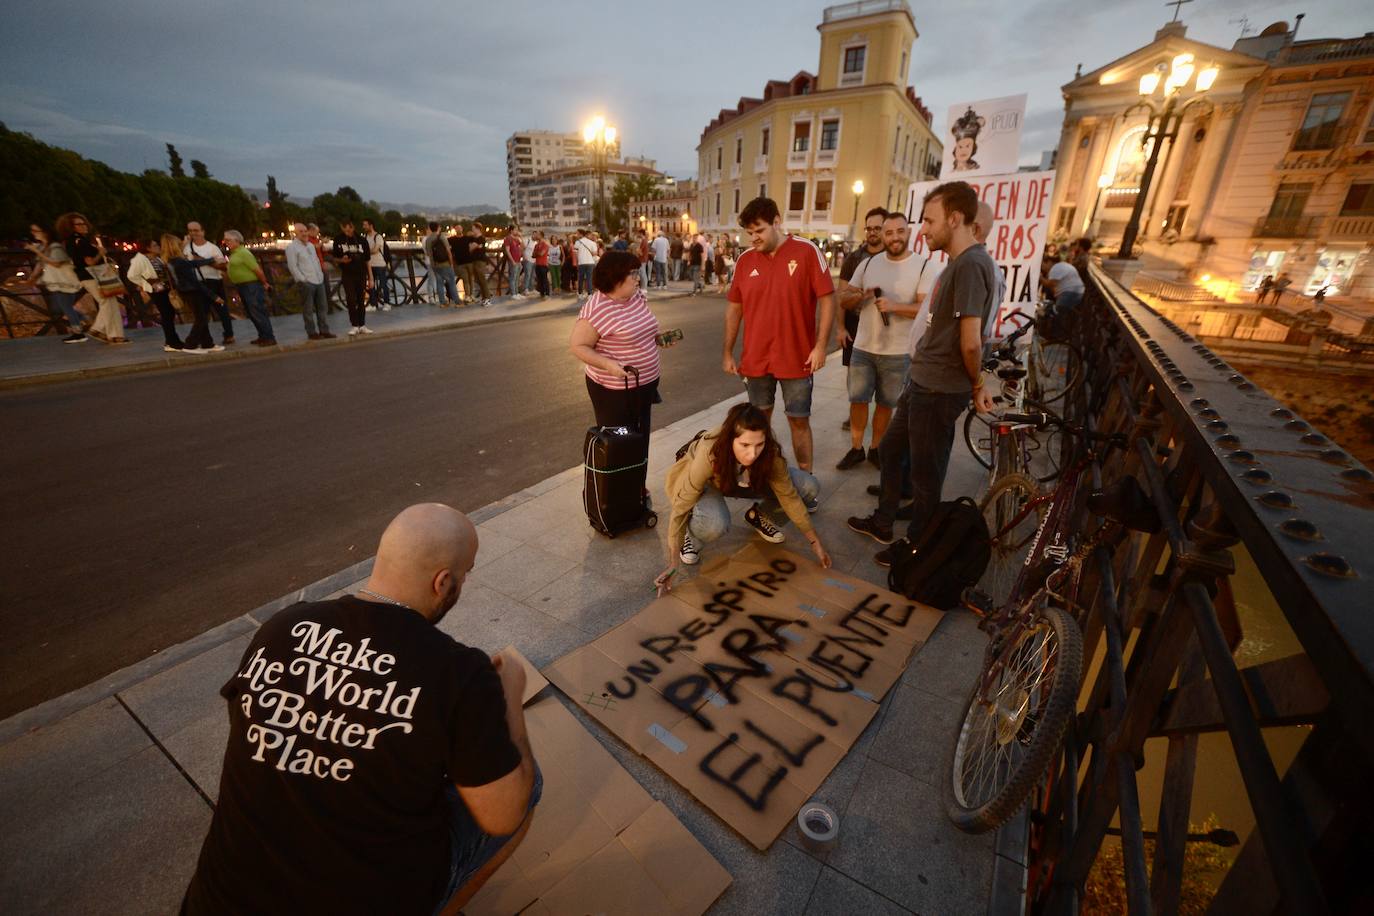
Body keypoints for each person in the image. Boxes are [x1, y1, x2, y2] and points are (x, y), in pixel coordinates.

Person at [181, 503, 540, 916]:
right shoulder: (458, 670)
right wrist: (508, 694)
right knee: (527, 786)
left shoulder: (282, 628)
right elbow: (501, 816)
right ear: (443, 583)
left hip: (217, 901)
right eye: (465, 573)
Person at [848, 181, 996, 558]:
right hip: (923, 381)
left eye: (929, 221)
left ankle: (917, 545)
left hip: (939, 389)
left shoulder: (971, 265)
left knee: (926, 476)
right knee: (893, 448)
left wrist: (977, 383)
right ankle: (884, 521)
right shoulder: (959, 264)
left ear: (955, 218)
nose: (924, 229)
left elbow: (971, 341)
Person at [655, 402, 830, 593]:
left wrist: (815, 542)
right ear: (731, 439)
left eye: (759, 444)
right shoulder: (709, 451)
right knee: (715, 524)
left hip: (746, 480)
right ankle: (693, 539)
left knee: (809, 486)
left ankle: (760, 516)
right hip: (712, 482)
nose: (752, 454)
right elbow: (681, 506)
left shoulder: (770, 453)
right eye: (744, 445)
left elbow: (789, 496)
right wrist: (673, 563)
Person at [723, 196, 836, 478]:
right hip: (756, 359)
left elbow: (828, 299)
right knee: (758, 423)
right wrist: (727, 351)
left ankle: (806, 481)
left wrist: (821, 346)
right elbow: (734, 309)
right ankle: (759, 476)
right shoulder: (745, 261)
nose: (754, 239)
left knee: (799, 421)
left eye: (759, 230)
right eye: (749, 233)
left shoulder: (807, 251)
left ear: (777, 222)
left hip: (797, 358)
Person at [836, 212, 928, 471]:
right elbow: (844, 298)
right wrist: (860, 297)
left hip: (899, 352)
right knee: (857, 400)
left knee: (886, 404)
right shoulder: (868, 264)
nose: (894, 237)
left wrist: (895, 305)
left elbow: (925, 309)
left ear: (908, 233)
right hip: (863, 348)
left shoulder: (923, 266)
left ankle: (876, 448)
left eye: (900, 231)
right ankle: (856, 449)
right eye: (889, 232)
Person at [570, 249, 670, 440]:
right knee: (619, 447)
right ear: (615, 278)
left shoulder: (636, 296)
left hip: (644, 387)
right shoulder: (597, 308)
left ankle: (639, 471)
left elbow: (642, 328)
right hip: (615, 393)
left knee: (639, 442)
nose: (638, 278)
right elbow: (578, 346)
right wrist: (608, 364)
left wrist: (658, 339)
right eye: (633, 274)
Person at [834, 208, 888, 433]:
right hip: (856, 325)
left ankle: (879, 418)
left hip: (887, 327)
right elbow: (841, 295)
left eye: (878, 228)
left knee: (885, 377)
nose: (872, 232)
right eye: (869, 228)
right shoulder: (853, 258)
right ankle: (854, 413)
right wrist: (840, 327)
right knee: (855, 375)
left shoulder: (896, 256)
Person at [57, 212, 127, 344]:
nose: (84, 226)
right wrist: (100, 253)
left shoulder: (73, 242)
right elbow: (90, 262)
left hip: (88, 276)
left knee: (109, 302)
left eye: (83, 223)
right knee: (107, 302)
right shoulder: (79, 241)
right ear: (71, 227)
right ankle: (100, 330)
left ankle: (114, 335)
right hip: (92, 276)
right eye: (79, 224)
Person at [27, 221, 87, 343]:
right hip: (57, 282)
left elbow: (56, 263)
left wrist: (36, 252)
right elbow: (40, 263)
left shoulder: (55, 247)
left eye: (35, 231)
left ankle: (78, 333)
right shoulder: (44, 247)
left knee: (65, 307)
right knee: (62, 307)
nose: (33, 234)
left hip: (64, 281)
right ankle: (81, 320)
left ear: (45, 232)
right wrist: (32, 277)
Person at [166, 233, 225, 354]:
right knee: (201, 319)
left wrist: (210, 259)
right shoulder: (179, 261)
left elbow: (192, 264)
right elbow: (195, 281)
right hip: (192, 292)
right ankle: (190, 345)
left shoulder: (172, 261)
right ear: (174, 246)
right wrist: (214, 297)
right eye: (179, 244)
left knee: (201, 318)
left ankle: (207, 343)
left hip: (184, 291)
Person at [126, 238, 184, 351]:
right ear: (147, 248)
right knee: (166, 314)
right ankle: (171, 342)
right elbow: (131, 275)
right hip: (157, 290)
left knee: (170, 313)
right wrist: (145, 284)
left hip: (166, 288)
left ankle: (172, 340)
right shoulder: (140, 259)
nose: (158, 247)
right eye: (155, 245)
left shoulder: (157, 258)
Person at [222, 230, 277, 346]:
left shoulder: (243, 253)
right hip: (243, 285)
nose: (225, 242)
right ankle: (262, 335)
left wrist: (265, 283)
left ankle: (269, 337)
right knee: (252, 312)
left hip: (251, 285)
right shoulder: (236, 253)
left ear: (237, 240)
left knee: (257, 311)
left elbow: (257, 270)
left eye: (228, 240)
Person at [185, 222, 234, 345]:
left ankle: (229, 335)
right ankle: (205, 339)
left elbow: (223, 266)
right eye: (190, 231)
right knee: (202, 313)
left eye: (196, 230)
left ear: (202, 232)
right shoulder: (187, 248)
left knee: (222, 310)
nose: (193, 233)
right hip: (198, 283)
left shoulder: (212, 248)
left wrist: (203, 261)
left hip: (214, 281)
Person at [286, 222, 334, 339]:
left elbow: (316, 261)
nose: (304, 233)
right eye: (301, 231)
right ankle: (312, 332)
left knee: (322, 307)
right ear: (295, 233)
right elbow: (293, 267)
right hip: (307, 282)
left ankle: (324, 330)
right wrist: (302, 280)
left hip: (318, 279)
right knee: (308, 308)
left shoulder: (310, 246)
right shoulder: (292, 248)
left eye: (305, 231)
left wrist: (320, 275)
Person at [333, 220, 373, 335]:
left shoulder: (361, 240)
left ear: (353, 227)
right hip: (347, 274)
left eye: (349, 228)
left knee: (361, 300)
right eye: (345, 229)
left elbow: (367, 260)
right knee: (350, 299)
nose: (347, 231)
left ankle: (362, 324)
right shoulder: (338, 239)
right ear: (341, 228)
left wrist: (371, 277)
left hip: (361, 273)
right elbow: (335, 258)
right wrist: (342, 260)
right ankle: (354, 325)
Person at [456, 224, 493, 306]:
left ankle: (487, 298)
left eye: (473, 229)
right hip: (475, 261)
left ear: (478, 229)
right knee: (478, 280)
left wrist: (474, 246)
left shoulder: (481, 238)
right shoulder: (475, 239)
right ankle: (484, 298)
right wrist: (474, 246)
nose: (472, 230)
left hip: (480, 261)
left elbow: (471, 248)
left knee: (482, 280)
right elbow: (470, 248)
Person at [425, 222, 459, 306]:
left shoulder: (428, 240)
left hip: (435, 265)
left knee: (439, 283)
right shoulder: (441, 237)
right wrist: (451, 263)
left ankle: (442, 302)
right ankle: (457, 302)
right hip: (445, 263)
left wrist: (433, 265)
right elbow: (448, 251)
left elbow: (429, 254)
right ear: (438, 228)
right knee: (451, 282)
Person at [362, 218, 392, 311]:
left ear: (371, 225)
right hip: (370, 264)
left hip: (380, 264)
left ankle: (387, 303)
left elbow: (375, 250)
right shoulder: (365, 237)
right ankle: (373, 304)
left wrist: (366, 252)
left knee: (383, 284)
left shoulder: (378, 237)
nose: (364, 227)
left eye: (365, 225)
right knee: (371, 285)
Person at [950, 106, 984, 173]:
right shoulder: (951, 172)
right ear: (955, 148)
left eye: (968, 146)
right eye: (960, 147)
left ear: (973, 148)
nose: (964, 150)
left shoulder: (976, 170)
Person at [574, 229, 599, 299]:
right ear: (587, 235)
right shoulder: (593, 243)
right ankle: (590, 294)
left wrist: (577, 262)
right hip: (590, 262)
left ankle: (580, 293)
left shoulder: (577, 242)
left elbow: (575, 253)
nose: (591, 236)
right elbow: (595, 254)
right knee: (589, 278)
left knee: (581, 279)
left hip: (581, 262)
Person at [503, 227, 525, 299]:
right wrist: (512, 261)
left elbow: (523, 247)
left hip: (518, 261)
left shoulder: (516, 239)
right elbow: (507, 250)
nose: (517, 231)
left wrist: (521, 237)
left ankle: (516, 292)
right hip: (513, 261)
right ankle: (513, 294)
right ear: (511, 231)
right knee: (513, 277)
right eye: (515, 230)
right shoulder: (508, 238)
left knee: (517, 278)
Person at [531, 231, 550, 300]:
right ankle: (542, 293)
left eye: (537, 234)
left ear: (541, 235)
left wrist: (536, 253)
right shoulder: (536, 245)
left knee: (544, 279)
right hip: (537, 264)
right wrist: (537, 253)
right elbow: (533, 255)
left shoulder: (545, 244)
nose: (536, 235)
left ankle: (547, 293)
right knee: (539, 280)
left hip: (543, 264)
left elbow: (541, 254)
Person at [521, 228, 538, 296]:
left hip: (534, 261)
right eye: (535, 234)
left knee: (532, 275)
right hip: (527, 260)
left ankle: (531, 289)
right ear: (532, 234)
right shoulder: (527, 240)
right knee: (527, 275)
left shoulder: (536, 243)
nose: (536, 236)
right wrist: (524, 256)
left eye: (537, 235)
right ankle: (526, 289)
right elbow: (522, 248)